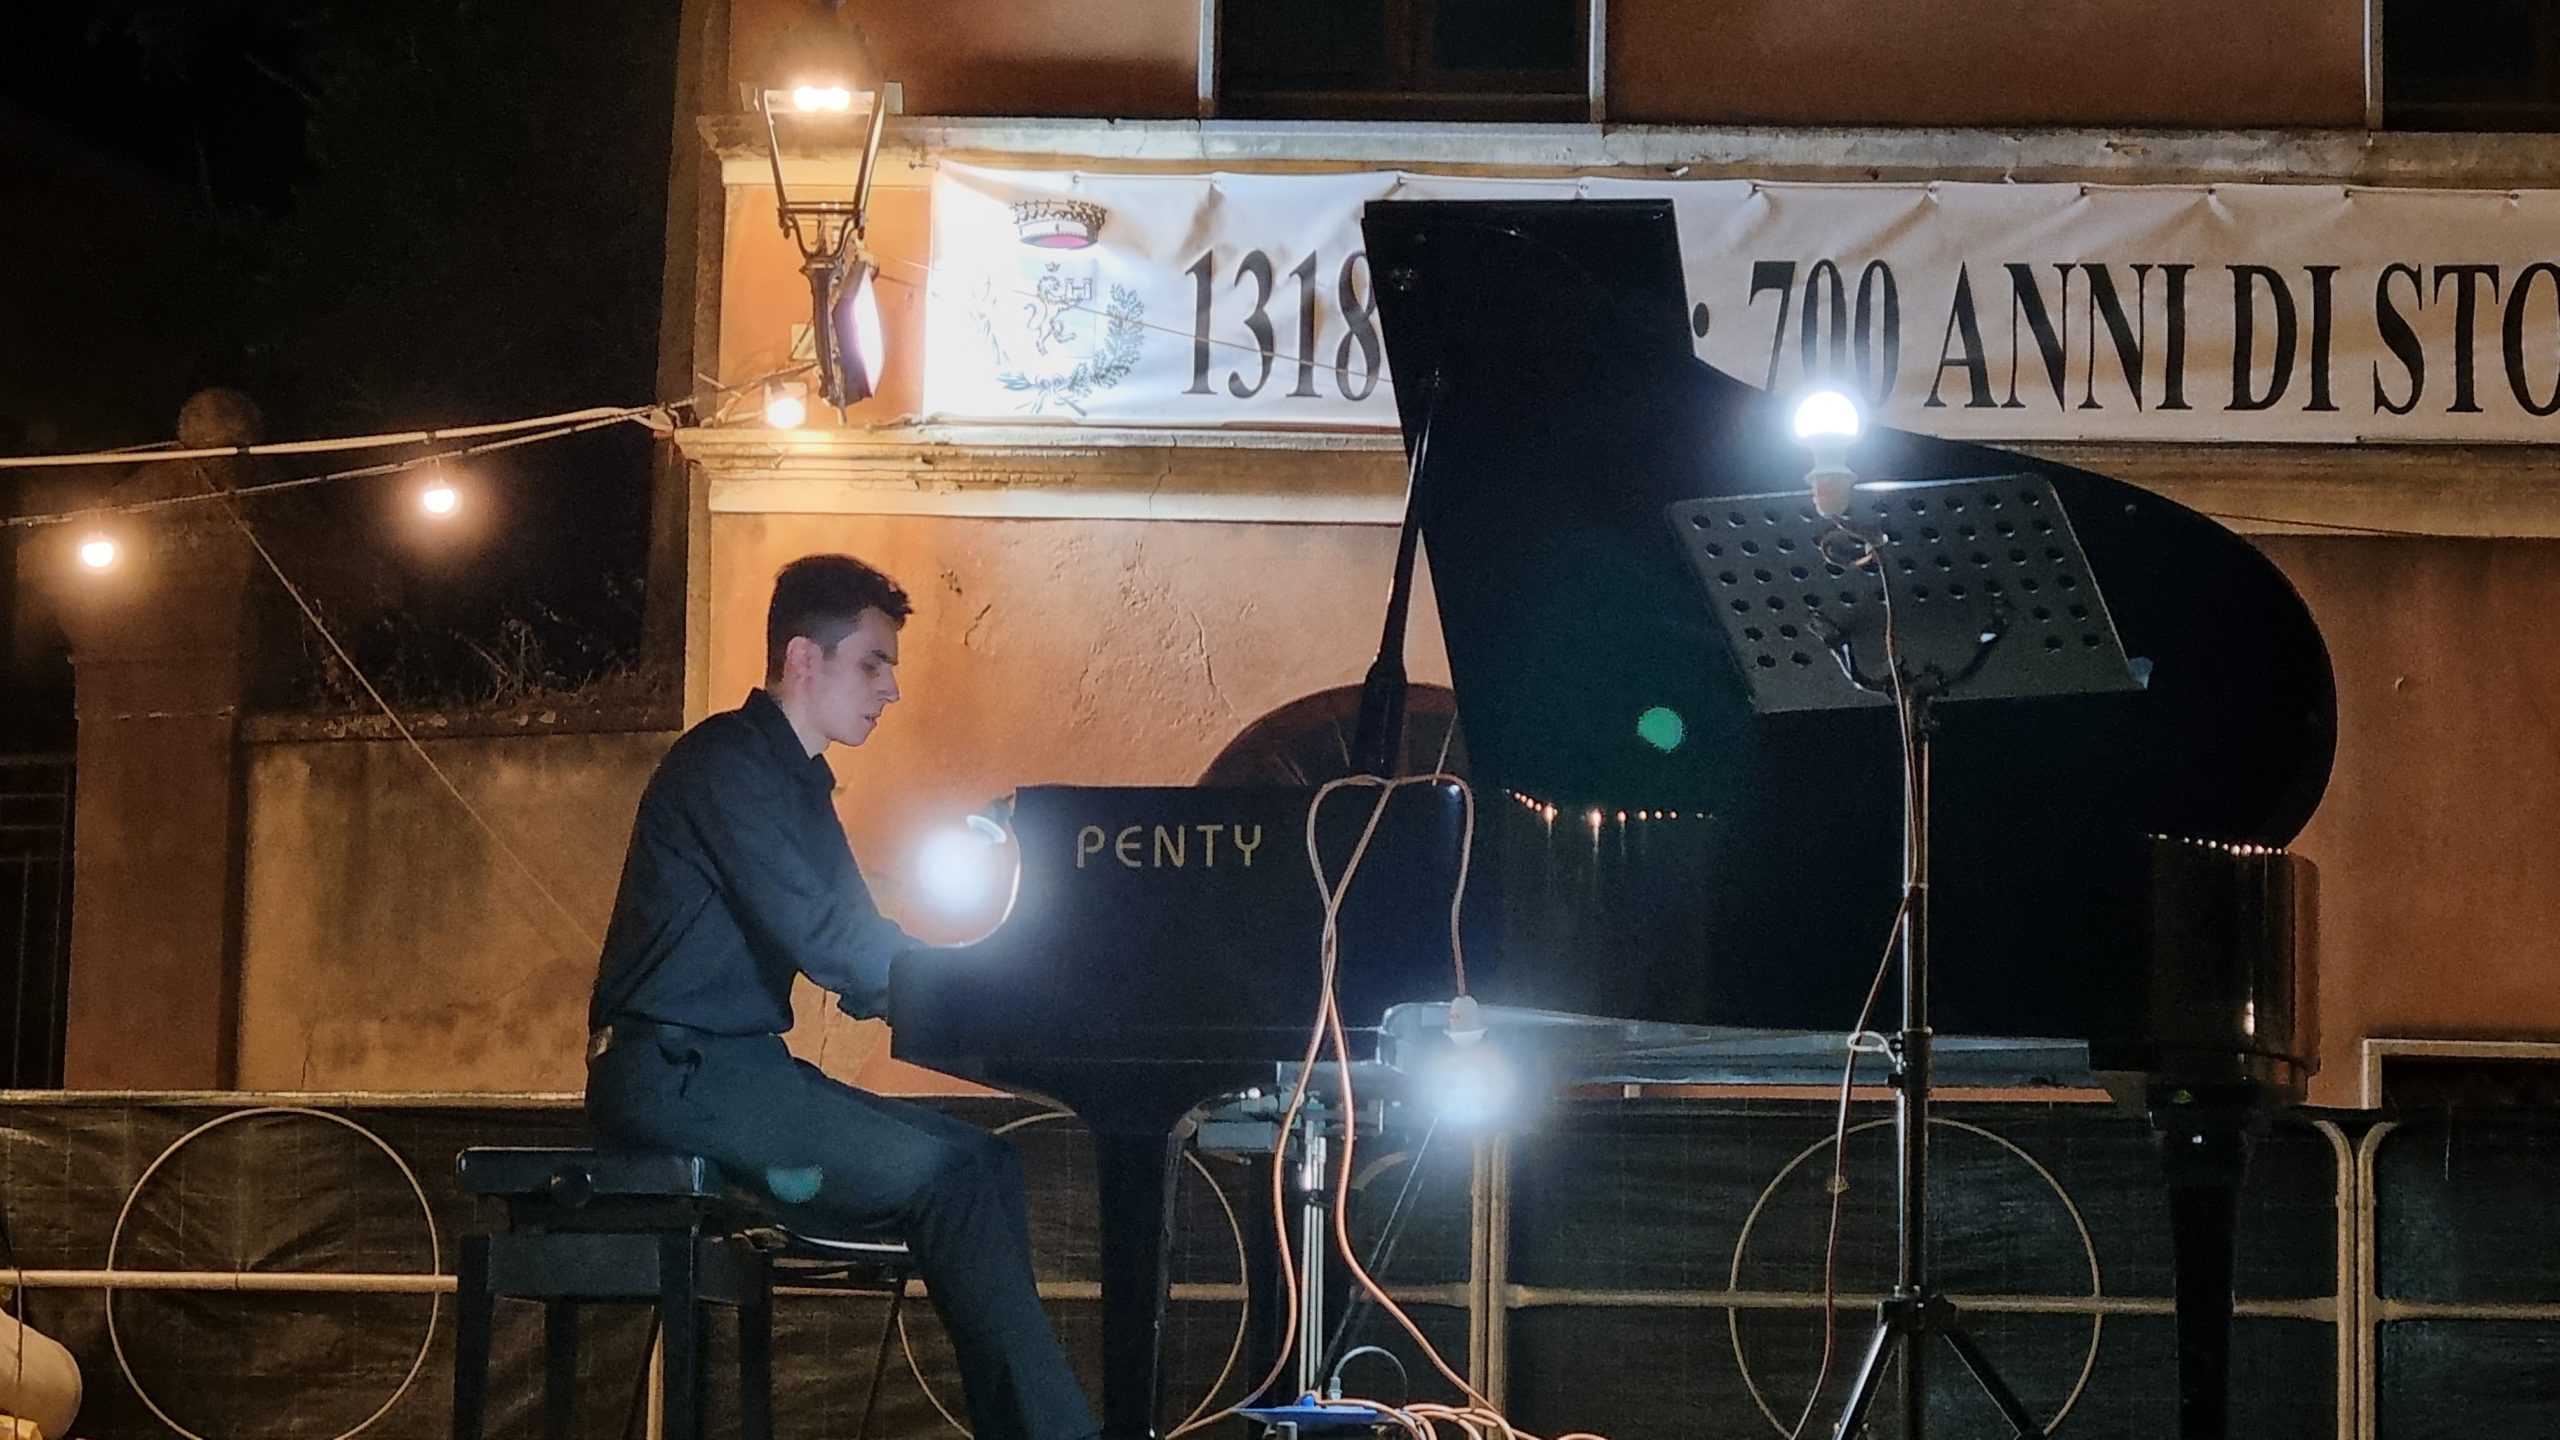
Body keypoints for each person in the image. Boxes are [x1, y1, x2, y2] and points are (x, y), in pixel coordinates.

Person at [585, 552, 1095, 1440]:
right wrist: (990, 1000)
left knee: (987, 1164)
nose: (891, 688)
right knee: (952, 1178)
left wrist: (986, 996)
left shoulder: (793, 778)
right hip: (674, 1077)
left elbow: (860, 944)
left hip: (734, 1071)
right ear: (802, 659)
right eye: (873, 663)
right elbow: (833, 942)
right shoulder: (725, 765)